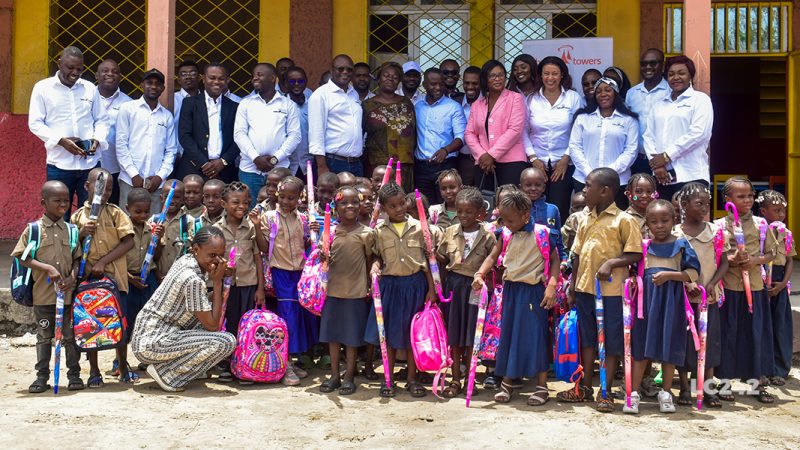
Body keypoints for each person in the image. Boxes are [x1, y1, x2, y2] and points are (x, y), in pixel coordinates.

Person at [555, 168, 643, 412]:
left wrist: (612, 263)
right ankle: (583, 386)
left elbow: (636, 252)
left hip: (612, 292)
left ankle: (605, 391)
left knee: (611, 341)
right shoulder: (584, 219)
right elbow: (576, 255)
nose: (584, 190)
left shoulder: (624, 220)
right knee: (588, 338)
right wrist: (572, 287)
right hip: (584, 289)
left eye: (588, 185)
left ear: (604, 191)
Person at [473, 189, 559, 405]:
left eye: (510, 220)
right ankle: (507, 383)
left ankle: (541, 386)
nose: (506, 223)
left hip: (534, 292)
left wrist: (552, 285)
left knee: (536, 336)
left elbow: (556, 261)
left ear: (525, 215)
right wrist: (480, 274)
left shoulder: (543, 233)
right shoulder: (506, 233)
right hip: (510, 291)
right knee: (509, 336)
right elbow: (493, 256)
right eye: (503, 219)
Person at [131, 226, 237, 392]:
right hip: (152, 341)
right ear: (196, 249)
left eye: (221, 255)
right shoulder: (192, 279)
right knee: (226, 342)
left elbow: (201, 302)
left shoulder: (186, 260)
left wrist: (219, 280)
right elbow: (213, 326)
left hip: (151, 335)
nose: (218, 260)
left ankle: (183, 369)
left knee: (207, 315)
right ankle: (167, 374)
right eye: (212, 255)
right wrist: (217, 282)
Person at [625, 200, 700, 414]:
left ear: (674, 220)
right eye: (654, 221)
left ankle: (666, 393)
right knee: (641, 347)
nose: (659, 225)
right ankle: (633, 394)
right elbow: (634, 271)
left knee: (670, 346)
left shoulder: (681, 244)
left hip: (672, 303)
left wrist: (670, 276)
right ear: (647, 224)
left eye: (665, 221)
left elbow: (693, 273)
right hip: (645, 303)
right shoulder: (643, 246)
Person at [365, 182, 437, 398]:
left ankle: (412, 379)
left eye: (402, 203)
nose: (399, 208)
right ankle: (389, 378)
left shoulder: (420, 228)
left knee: (413, 335)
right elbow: (376, 255)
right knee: (390, 335)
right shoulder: (378, 231)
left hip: (415, 286)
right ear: (384, 208)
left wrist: (431, 290)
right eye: (393, 206)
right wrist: (375, 266)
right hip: (391, 287)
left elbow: (428, 260)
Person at [12, 181, 83, 393]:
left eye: (67, 200)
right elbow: (22, 256)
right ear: (44, 202)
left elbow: (77, 258)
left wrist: (72, 276)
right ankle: (42, 376)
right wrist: (47, 269)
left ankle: (74, 375)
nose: (63, 204)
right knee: (44, 337)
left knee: (70, 338)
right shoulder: (34, 230)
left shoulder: (71, 231)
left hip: (67, 297)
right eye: (57, 200)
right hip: (43, 298)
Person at [715, 177, 777, 404]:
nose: (747, 200)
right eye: (741, 196)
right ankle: (723, 382)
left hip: (756, 288)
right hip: (730, 289)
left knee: (755, 334)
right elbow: (716, 257)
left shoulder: (761, 225)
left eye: (750, 195)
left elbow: (771, 254)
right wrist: (731, 259)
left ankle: (756, 383)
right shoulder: (719, 226)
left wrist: (755, 260)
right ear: (728, 199)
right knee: (729, 334)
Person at [71, 167, 135, 388]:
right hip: (88, 282)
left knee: (120, 323)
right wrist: (81, 233)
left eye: (108, 188)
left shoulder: (116, 213)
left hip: (115, 278)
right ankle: (94, 370)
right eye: (99, 187)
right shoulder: (78, 216)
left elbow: (129, 241)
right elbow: (71, 247)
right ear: (87, 187)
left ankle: (123, 366)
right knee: (91, 326)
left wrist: (103, 261)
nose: (104, 193)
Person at [29, 46, 110, 218]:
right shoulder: (43, 88)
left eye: (79, 69)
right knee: (58, 215)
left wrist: (97, 139)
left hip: (90, 164)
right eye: (70, 68)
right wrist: (61, 141)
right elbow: (35, 123)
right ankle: (62, 245)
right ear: (59, 64)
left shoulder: (89, 88)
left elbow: (102, 119)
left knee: (90, 213)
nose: (75, 73)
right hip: (59, 164)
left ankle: (84, 246)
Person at [436, 188, 495, 398]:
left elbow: (493, 261)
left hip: (475, 287)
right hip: (454, 286)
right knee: (455, 334)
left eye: (468, 212)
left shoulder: (488, 235)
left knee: (472, 334)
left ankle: (471, 378)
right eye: (460, 211)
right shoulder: (450, 232)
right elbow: (442, 259)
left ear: (480, 212)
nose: (463, 216)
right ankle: (455, 379)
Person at [674, 182, 728, 409]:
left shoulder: (715, 232)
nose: (705, 207)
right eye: (700, 203)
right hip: (683, 299)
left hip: (709, 297)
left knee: (710, 343)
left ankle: (707, 388)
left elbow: (724, 262)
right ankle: (685, 388)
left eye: (707, 203)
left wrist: (713, 284)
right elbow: (672, 264)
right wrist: (687, 285)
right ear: (685, 205)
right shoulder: (675, 234)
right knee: (684, 344)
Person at [261, 177, 318, 385]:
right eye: (282, 196)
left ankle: (292, 361)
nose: (285, 201)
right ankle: (284, 365)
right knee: (288, 317)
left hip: (299, 273)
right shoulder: (268, 217)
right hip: (281, 272)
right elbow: (262, 245)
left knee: (301, 317)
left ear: (299, 198)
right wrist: (258, 227)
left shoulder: (303, 219)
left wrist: (314, 231)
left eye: (291, 198)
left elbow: (308, 244)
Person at [318, 186, 373, 395]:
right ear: (335, 208)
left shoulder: (367, 233)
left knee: (351, 338)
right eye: (344, 203)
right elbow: (321, 259)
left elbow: (370, 260)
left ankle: (349, 375)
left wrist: (369, 284)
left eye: (354, 202)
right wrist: (323, 258)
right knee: (334, 337)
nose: (349, 206)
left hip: (355, 292)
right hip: (333, 291)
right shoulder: (330, 232)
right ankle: (334, 375)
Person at [213, 182, 266, 383]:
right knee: (228, 325)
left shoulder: (251, 226)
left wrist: (260, 288)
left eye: (245, 202)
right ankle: (227, 364)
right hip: (226, 286)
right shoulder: (216, 229)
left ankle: (245, 365)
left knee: (246, 327)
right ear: (224, 204)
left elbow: (260, 254)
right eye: (235, 202)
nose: (241, 206)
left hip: (248, 284)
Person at [643, 55, 713, 201]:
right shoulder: (659, 104)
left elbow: (699, 134)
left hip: (691, 174)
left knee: (691, 221)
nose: (676, 77)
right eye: (671, 74)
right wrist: (657, 166)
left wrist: (666, 156)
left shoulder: (700, 100)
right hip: (662, 176)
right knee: (663, 221)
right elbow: (648, 136)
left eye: (681, 73)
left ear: (690, 76)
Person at [235, 63, 302, 208]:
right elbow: (239, 134)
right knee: (249, 210)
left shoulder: (288, 105)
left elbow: (295, 136)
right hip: (250, 169)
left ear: (272, 78)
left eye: (259, 75)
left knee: (281, 210)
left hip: (279, 169)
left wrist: (275, 159)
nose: (255, 78)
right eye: (254, 75)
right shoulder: (246, 103)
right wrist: (255, 158)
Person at [524, 56, 582, 221]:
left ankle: (557, 244)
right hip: (537, 162)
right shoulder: (531, 99)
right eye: (546, 73)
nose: (550, 78)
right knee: (534, 209)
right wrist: (533, 158)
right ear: (540, 76)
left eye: (555, 74)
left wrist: (566, 158)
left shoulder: (573, 98)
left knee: (559, 208)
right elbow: (523, 131)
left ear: (562, 75)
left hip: (563, 165)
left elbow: (578, 131)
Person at [117, 188, 165, 383]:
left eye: (146, 211)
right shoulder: (121, 229)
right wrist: (129, 277)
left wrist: (158, 241)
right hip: (127, 279)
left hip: (147, 280)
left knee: (147, 321)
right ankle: (120, 363)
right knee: (125, 321)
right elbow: (117, 258)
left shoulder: (151, 228)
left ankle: (147, 359)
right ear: (128, 209)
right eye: (138, 212)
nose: (143, 215)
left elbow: (157, 257)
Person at [568, 77, 639, 207]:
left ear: (616, 93)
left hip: (617, 181)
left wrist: (606, 175)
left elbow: (631, 151)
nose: (603, 94)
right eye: (599, 91)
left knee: (615, 222)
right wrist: (590, 173)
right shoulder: (582, 118)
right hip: (584, 178)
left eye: (608, 90)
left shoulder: (629, 120)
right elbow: (574, 147)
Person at [116, 69, 177, 214]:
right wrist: (133, 175)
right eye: (149, 83)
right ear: (142, 85)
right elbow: (121, 144)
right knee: (126, 224)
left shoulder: (166, 116)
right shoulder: (128, 109)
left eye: (158, 84)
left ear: (163, 88)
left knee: (152, 226)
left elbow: (171, 150)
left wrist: (159, 177)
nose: (153, 87)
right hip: (129, 181)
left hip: (156, 185)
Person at [465, 60, 528, 191]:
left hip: (511, 162)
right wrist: (482, 155)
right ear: (485, 79)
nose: (497, 79)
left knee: (509, 205)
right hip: (483, 164)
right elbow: (469, 133)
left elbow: (515, 130)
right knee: (486, 205)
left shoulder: (515, 98)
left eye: (501, 75)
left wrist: (492, 155)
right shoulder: (478, 104)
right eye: (492, 76)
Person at [175, 62, 240, 183]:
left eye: (221, 78)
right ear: (203, 79)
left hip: (224, 170)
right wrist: (203, 163)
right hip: (193, 168)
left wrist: (223, 161)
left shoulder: (234, 106)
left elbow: (239, 137)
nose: (216, 82)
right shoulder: (190, 103)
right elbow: (184, 136)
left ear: (227, 81)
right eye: (212, 78)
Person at [756, 190, 795, 386]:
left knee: (780, 327)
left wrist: (781, 285)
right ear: (763, 211)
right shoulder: (759, 233)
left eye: (783, 211)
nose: (781, 215)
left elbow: (789, 261)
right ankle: (763, 368)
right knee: (763, 327)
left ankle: (780, 369)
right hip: (761, 283)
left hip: (779, 283)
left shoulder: (786, 234)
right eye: (776, 210)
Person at [414, 68, 467, 203]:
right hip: (421, 167)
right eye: (433, 84)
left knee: (447, 205)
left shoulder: (453, 107)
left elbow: (461, 137)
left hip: (445, 165)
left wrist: (446, 150)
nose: (438, 88)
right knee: (424, 207)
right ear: (424, 85)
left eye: (441, 84)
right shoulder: (417, 106)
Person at [362, 63, 416, 190]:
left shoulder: (406, 103)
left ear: (399, 81)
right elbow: (360, 134)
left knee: (402, 200)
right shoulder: (367, 105)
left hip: (404, 164)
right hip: (377, 164)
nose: (390, 79)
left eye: (395, 77)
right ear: (378, 79)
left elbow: (415, 131)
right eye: (386, 75)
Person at [309, 54, 364, 176]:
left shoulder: (353, 93)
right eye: (340, 69)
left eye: (349, 69)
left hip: (355, 163)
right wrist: (322, 166)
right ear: (332, 70)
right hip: (332, 162)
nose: (345, 72)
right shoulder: (321, 95)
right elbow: (316, 133)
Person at [95, 59, 133, 205]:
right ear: (96, 75)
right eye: (105, 71)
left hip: (115, 168)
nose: (110, 74)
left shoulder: (128, 104)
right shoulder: (87, 99)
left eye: (115, 71)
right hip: (87, 166)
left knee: (112, 210)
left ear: (120, 77)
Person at [626, 48, 668, 176]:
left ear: (663, 66)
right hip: (636, 160)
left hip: (663, 161)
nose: (647, 67)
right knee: (636, 196)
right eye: (643, 64)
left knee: (661, 196)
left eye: (653, 63)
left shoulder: (670, 92)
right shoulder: (632, 93)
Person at [520, 167, 566, 263]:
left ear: (543, 188)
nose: (533, 188)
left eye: (538, 185)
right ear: (521, 187)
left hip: (549, 260)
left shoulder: (553, 209)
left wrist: (563, 258)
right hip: (524, 260)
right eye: (528, 185)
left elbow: (558, 238)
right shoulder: (517, 209)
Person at [154, 180, 190, 281]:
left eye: (177, 197)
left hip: (181, 276)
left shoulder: (188, 221)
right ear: (161, 198)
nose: (172, 200)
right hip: (158, 275)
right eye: (167, 197)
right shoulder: (154, 221)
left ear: (183, 200)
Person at [284, 66, 313, 178]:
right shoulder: (280, 105)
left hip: (309, 164)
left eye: (300, 81)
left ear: (305, 82)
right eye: (292, 81)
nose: (296, 84)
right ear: (286, 83)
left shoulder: (313, 105)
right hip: (286, 164)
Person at [458, 66, 481, 186]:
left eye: (475, 83)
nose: (470, 87)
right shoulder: (456, 102)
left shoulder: (489, 102)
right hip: (462, 161)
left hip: (483, 161)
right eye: (467, 83)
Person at [625, 173, 658, 238]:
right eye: (638, 191)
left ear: (655, 194)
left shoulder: (659, 215)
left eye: (649, 192)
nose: (644, 195)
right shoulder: (624, 218)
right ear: (629, 195)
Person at [561, 190, 588, 258]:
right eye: (577, 207)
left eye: (584, 207)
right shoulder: (568, 225)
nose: (580, 210)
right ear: (572, 210)